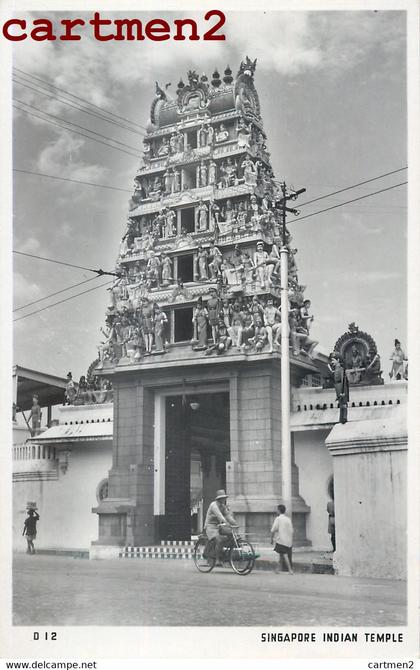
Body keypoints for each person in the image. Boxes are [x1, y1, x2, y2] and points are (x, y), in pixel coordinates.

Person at [204, 490, 238, 566]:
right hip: (210, 527)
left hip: (219, 526)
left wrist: (235, 523)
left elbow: (228, 515)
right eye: (222, 498)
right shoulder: (213, 505)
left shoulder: (223, 506)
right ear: (219, 499)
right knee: (219, 540)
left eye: (224, 498)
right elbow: (219, 515)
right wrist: (226, 523)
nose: (224, 499)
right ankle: (217, 559)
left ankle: (226, 554)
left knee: (231, 535)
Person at [271, 504, 294, 574]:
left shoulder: (278, 519)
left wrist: (271, 539)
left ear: (279, 511)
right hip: (288, 540)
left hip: (281, 540)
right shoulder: (288, 519)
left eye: (277, 510)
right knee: (281, 554)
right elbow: (291, 530)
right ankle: (278, 569)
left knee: (284, 554)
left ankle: (290, 570)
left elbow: (273, 530)